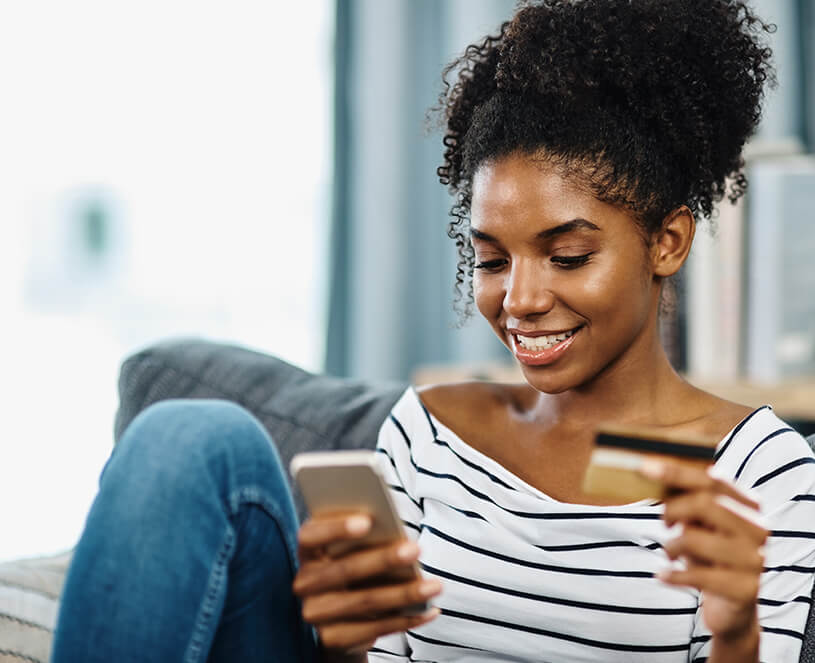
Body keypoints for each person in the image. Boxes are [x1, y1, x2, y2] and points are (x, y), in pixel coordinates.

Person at [51, 1, 815, 662]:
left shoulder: (759, 472)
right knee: (189, 436)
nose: (517, 299)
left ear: (667, 242)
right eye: (490, 259)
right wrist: (343, 642)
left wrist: (736, 632)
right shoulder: (427, 431)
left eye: (567, 254)